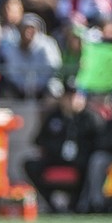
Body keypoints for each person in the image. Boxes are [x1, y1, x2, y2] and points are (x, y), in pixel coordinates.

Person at [24, 79, 103, 213]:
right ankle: (53, 206)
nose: (72, 100)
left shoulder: (91, 118)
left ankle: (80, 205)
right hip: (57, 159)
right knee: (31, 165)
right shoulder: (54, 117)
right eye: (69, 97)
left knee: (92, 165)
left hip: (81, 162)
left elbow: (99, 142)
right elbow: (39, 140)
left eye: (76, 96)